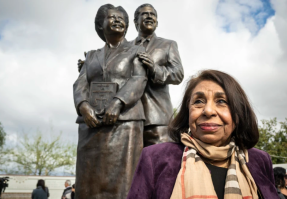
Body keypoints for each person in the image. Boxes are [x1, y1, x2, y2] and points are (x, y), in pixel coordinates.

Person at [127, 70, 278, 199]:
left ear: (238, 114)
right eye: (198, 101)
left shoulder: (259, 160)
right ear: (188, 113)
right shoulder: (155, 158)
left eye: (221, 101)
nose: (208, 111)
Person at [73, 4, 147, 199]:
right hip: (91, 124)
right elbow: (80, 85)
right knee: (88, 181)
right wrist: (83, 106)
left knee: (122, 182)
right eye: (112, 17)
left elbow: (139, 79)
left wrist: (117, 102)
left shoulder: (136, 50)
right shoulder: (90, 56)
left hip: (125, 121)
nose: (117, 20)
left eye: (121, 18)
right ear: (100, 24)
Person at [132, 4, 184, 147]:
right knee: (130, 168)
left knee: (160, 163)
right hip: (128, 119)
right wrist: (90, 67)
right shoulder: (125, 48)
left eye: (153, 14)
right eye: (144, 14)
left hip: (158, 117)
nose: (149, 16)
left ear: (157, 22)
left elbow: (178, 74)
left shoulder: (168, 45)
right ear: (135, 22)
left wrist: (154, 68)